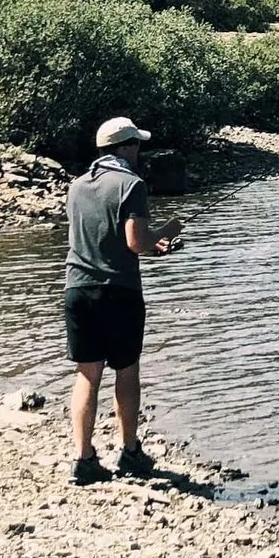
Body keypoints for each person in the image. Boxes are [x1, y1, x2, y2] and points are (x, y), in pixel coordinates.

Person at [64, 115, 181, 485]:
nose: (140, 152)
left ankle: (83, 459)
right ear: (126, 147)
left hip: (78, 289)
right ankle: (129, 451)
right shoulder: (132, 184)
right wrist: (168, 230)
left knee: (87, 373)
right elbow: (135, 242)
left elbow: (104, 239)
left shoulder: (78, 186)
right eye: (137, 145)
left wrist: (151, 248)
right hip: (119, 292)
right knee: (126, 371)